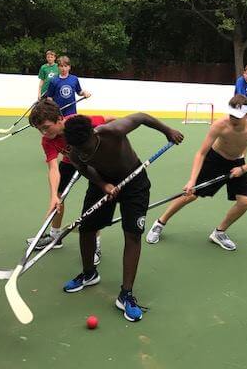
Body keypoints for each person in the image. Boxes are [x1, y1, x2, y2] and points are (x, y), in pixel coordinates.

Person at [63, 113, 184, 322]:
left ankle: (126, 294)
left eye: (87, 148)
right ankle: (89, 273)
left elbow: (142, 117)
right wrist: (103, 185)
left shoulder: (114, 131)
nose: (84, 153)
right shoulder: (75, 152)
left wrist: (168, 131)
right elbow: (83, 168)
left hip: (135, 182)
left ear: (93, 133)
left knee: (133, 235)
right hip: (102, 183)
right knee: (87, 228)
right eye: (79, 150)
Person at [145, 95, 247, 251]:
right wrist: (191, 180)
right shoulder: (220, 125)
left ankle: (219, 232)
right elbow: (201, 153)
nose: (232, 120)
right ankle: (160, 223)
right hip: (215, 159)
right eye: (231, 115)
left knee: (245, 202)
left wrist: (243, 169)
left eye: (237, 117)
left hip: (237, 164)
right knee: (190, 194)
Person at [27, 100, 114, 264]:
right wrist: (54, 195)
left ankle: (96, 244)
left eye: (46, 127)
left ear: (60, 119)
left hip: (95, 162)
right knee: (58, 196)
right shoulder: (48, 140)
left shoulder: (78, 122)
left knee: (93, 203)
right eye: (39, 129)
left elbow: (111, 119)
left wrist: (110, 140)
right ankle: (55, 237)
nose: (43, 132)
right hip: (71, 161)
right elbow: (53, 168)